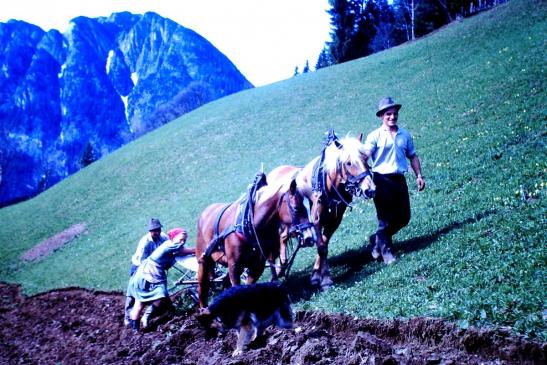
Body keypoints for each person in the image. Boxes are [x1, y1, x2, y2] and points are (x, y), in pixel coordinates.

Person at [363, 97, 425, 265]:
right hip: (381, 181)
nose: (392, 117)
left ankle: (377, 239)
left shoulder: (404, 134)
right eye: (388, 114)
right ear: (381, 116)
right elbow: (364, 156)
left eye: (394, 114)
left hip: (399, 179)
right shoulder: (374, 136)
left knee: (404, 217)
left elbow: (412, 156)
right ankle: (386, 251)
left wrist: (419, 175)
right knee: (385, 218)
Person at [126, 227, 195, 330]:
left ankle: (136, 329)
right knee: (160, 295)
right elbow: (188, 250)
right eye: (181, 239)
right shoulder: (171, 245)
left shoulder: (170, 244)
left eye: (184, 240)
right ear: (173, 238)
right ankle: (145, 317)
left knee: (140, 301)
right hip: (152, 272)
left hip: (145, 271)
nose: (182, 242)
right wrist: (202, 248)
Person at [124, 218, 169, 325]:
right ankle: (127, 317)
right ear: (150, 231)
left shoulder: (164, 237)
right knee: (133, 290)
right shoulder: (145, 242)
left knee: (160, 288)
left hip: (155, 268)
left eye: (158, 230)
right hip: (140, 267)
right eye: (154, 231)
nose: (157, 232)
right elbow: (142, 261)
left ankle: (163, 308)